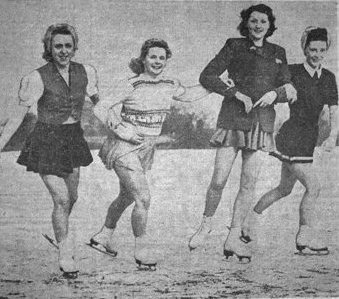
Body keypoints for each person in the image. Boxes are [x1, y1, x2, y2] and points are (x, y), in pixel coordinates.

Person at [89, 38, 217, 269]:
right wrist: (122, 130)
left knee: (127, 196)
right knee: (143, 198)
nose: (157, 61)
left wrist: (217, 85)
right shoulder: (132, 84)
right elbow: (100, 107)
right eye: (152, 57)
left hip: (147, 149)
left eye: (161, 57)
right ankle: (141, 250)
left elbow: (188, 94)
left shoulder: (170, 83)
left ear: (166, 60)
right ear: (143, 59)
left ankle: (103, 236)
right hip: (123, 147)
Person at [188, 4, 297, 262]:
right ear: (246, 24)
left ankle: (233, 237)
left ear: (269, 25)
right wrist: (235, 93)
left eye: (263, 21)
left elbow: (289, 86)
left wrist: (276, 94)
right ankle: (206, 224)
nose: (258, 25)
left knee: (248, 184)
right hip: (233, 119)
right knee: (219, 179)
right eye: (253, 21)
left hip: (262, 124)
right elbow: (207, 76)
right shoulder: (234, 46)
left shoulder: (278, 52)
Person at [0, 23, 99, 278]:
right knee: (62, 199)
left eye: (68, 46)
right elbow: (17, 115)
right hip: (46, 140)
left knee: (72, 198)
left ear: (74, 47)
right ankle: (65, 252)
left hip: (73, 138)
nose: (63, 51)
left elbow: (100, 102)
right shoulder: (36, 77)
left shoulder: (87, 72)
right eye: (58, 46)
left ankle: (60, 234)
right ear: (49, 48)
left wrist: (119, 126)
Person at [245, 27, 338, 255]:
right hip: (291, 136)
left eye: (321, 50)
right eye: (312, 49)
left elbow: (334, 110)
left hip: (308, 139)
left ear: (327, 50)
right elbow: (274, 90)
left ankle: (246, 222)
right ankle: (304, 237)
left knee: (284, 189)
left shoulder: (328, 77)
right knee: (313, 187)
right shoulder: (293, 71)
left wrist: (333, 136)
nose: (316, 54)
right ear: (304, 48)